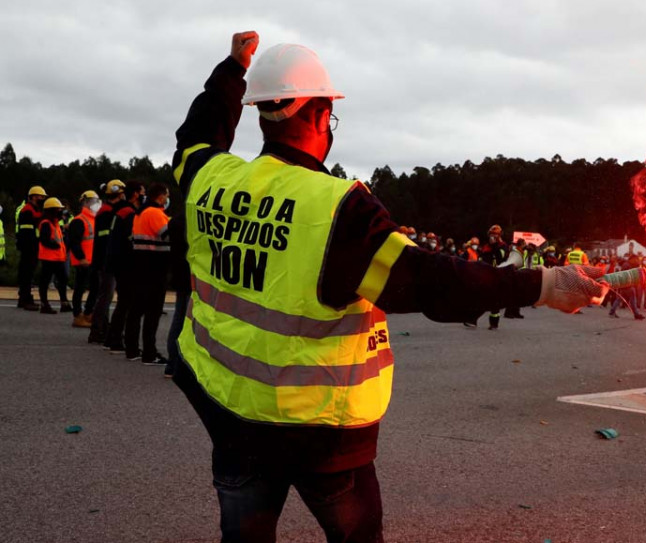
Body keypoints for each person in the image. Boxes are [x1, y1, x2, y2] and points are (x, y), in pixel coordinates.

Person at [169, 32, 616, 543]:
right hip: (322, 433)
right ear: (318, 116)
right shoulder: (338, 207)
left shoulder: (208, 178)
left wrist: (232, 71)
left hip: (229, 413)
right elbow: (429, 284)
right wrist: (543, 284)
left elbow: (196, 136)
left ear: (260, 115)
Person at [124, 182, 171, 364]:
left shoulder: (140, 213)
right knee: (153, 312)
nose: (167, 199)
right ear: (160, 196)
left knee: (136, 310)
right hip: (155, 268)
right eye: (166, 196)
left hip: (140, 265)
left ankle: (132, 349)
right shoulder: (155, 213)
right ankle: (149, 353)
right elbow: (168, 235)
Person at [103, 181, 146, 352]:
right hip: (125, 263)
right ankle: (115, 340)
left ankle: (111, 338)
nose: (144, 195)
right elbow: (131, 240)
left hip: (117, 261)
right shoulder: (129, 213)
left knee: (123, 302)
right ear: (136, 194)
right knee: (126, 303)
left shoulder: (121, 211)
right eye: (142, 191)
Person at [88, 180, 127, 344]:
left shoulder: (106, 210)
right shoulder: (107, 212)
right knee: (105, 296)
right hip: (105, 262)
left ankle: (103, 328)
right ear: (119, 194)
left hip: (104, 261)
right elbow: (106, 240)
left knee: (105, 296)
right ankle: (97, 330)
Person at [164, 212, 191, 379]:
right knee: (188, 321)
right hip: (192, 276)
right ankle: (181, 364)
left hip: (180, 275)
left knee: (179, 318)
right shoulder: (190, 221)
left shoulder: (175, 221)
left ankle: (172, 363)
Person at [68, 190, 101, 327]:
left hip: (93, 261)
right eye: (93, 201)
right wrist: (81, 258)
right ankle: (77, 315)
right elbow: (74, 242)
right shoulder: (79, 220)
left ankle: (88, 313)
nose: (96, 204)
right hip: (83, 261)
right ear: (85, 203)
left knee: (95, 288)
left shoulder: (95, 220)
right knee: (80, 288)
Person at [15, 186, 47, 310]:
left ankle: (25, 298)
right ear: (33, 196)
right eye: (41, 196)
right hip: (29, 246)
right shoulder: (28, 210)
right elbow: (28, 231)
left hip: (32, 246)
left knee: (28, 273)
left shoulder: (34, 209)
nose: (43, 199)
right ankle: (24, 299)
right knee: (26, 273)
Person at [36, 197, 70, 314]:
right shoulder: (46, 223)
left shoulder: (54, 223)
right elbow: (44, 239)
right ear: (51, 210)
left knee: (63, 279)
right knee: (45, 281)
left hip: (57, 257)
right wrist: (53, 245)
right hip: (49, 258)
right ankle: (45, 304)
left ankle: (64, 303)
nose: (60, 212)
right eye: (58, 210)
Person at [480, 224, 508, 329]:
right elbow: (482, 258)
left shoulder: (503, 246)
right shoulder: (486, 246)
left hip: (497, 275)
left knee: (495, 301)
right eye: (491, 234)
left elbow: (501, 257)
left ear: (499, 235)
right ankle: (472, 319)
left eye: (495, 234)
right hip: (485, 274)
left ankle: (494, 323)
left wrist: (495, 245)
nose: (493, 236)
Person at [502, 238, 526, 319]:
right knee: (512, 294)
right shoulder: (516, 252)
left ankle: (516, 312)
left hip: (519, 273)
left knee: (518, 295)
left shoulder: (521, 251)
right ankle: (508, 312)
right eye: (524, 243)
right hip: (514, 274)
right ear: (521, 244)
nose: (525, 245)